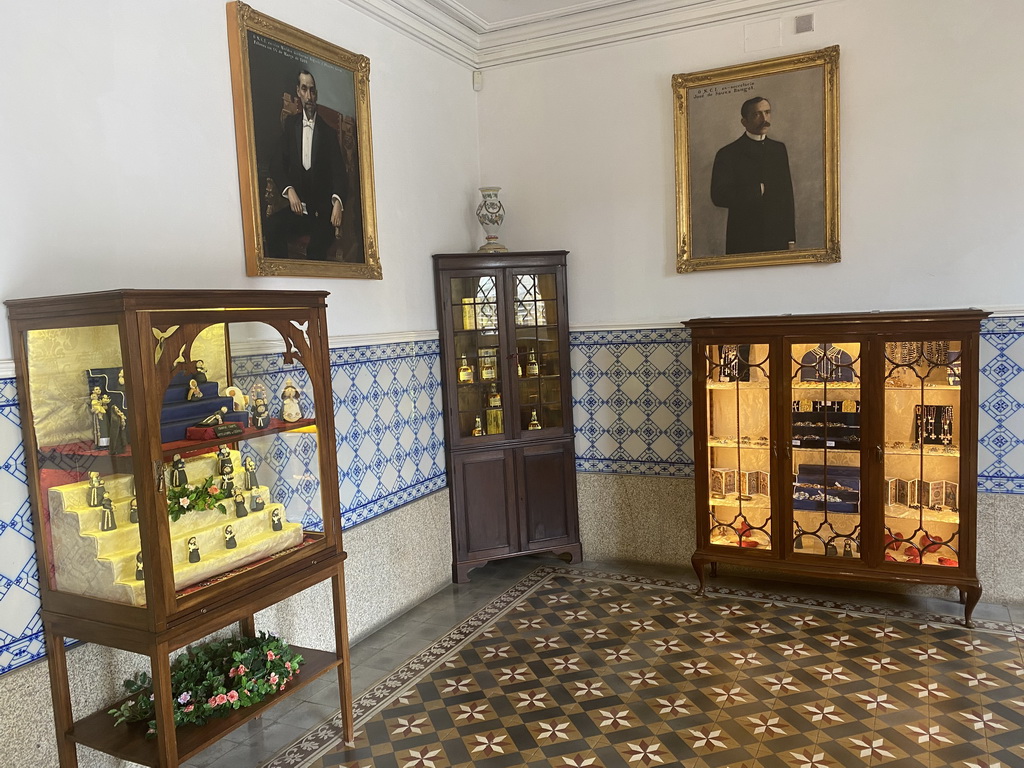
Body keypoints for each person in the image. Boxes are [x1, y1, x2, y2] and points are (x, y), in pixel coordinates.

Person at [265, 70, 348, 261]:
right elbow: (276, 163)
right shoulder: (291, 125)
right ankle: (284, 285)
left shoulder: (328, 133)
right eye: (304, 89)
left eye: (312, 90)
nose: (309, 96)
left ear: (316, 94)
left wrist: (337, 202)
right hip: (298, 210)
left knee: (316, 249)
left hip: (322, 214)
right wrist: (289, 190)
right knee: (272, 227)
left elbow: (339, 173)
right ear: (298, 92)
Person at [710, 96, 796, 255]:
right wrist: (757, 190)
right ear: (744, 121)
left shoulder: (779, 150)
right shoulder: (728, 153)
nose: (765, 119)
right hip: (744, 238)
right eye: (757, 114)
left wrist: (791, 239)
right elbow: (718, 196)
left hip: (777, 239)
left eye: (767, 112)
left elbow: (787, 197)